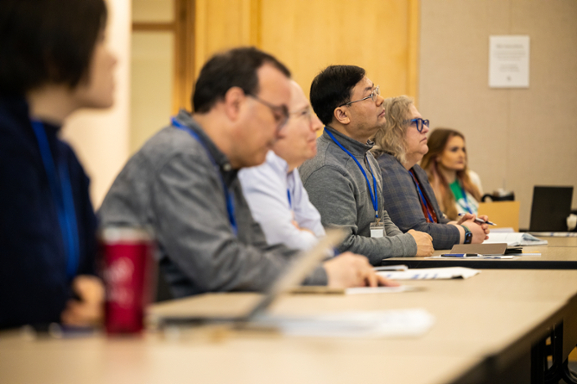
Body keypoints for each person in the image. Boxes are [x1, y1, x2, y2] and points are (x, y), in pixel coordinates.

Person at [99, 48, 395, 299]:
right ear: (235, 104)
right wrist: (323, 276)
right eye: (277, 115)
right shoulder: (182, 156)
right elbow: (220, 265)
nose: (279, 130)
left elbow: (258, 248)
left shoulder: (221, 161)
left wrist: (337, 267)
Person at [0, 0, 116, 329]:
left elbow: (93, 272)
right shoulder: (7, 146)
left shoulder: (65, 156)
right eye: (99, 40)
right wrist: (76, 299)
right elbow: (27, 295)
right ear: (52, 52)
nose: (114, 58)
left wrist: (88, 298)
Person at [299, 65, 434, 265]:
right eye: (369, 96)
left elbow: (381, 217)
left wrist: (411, 245)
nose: (380, 100)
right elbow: (341, 247)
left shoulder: (366, 155)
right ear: (343, 115)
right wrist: (407, 244)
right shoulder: (327, 168)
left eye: (376, 91)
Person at [371, 96, 489, 250]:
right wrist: (465, 233)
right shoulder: (388, 168)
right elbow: (417, 232)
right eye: (417, 123)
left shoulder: (415, 170)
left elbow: (436, 221)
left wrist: (459, 224)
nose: (426, 129)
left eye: (424, 123)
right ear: (394, 130)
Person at [238, 81, 325, 251]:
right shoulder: (254, 171)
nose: (317, 125)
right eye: (304, 114)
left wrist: (302, 233)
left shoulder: (288, 168)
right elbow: (287, 247)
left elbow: (322, 245)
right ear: (272, 122)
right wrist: (303, 235)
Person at [421, 128, 484, 221]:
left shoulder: (472, 178)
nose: (462, 155)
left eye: (463, 149)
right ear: (437, 155)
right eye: (454, 150)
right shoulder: (428, 186)